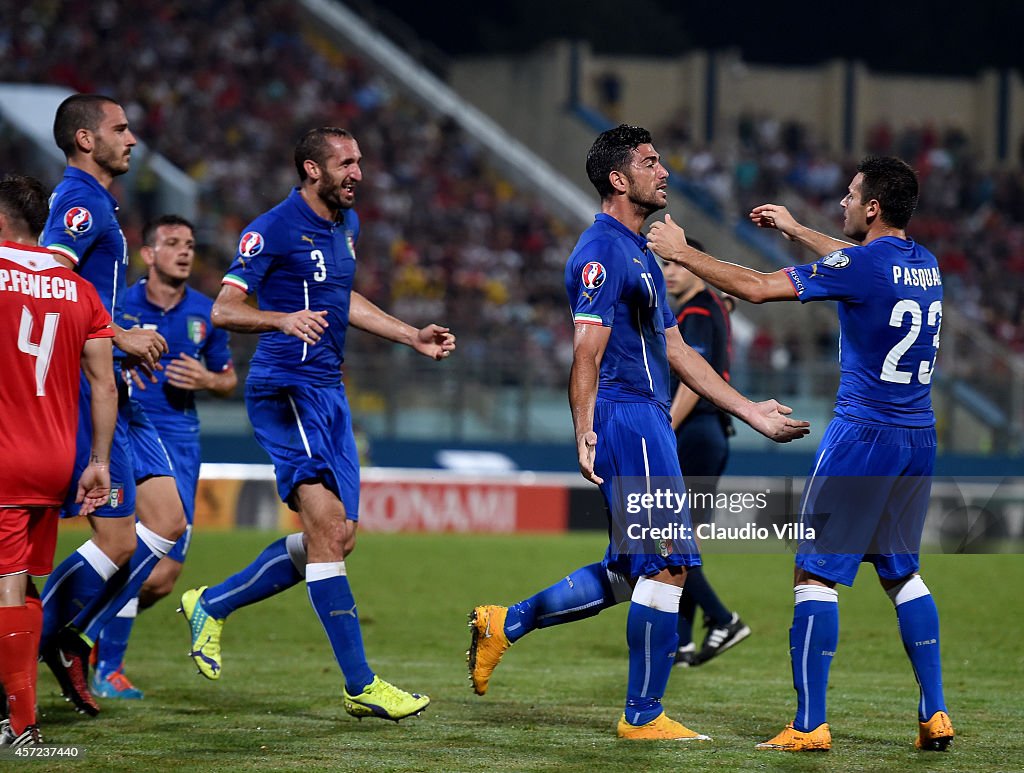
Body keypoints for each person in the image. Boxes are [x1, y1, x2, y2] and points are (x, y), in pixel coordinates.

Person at [467, 124, 809, 741]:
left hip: (648, 415)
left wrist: (751, 410)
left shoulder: (643, 254)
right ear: (619, 180)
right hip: (628, 417)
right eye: (651, 163)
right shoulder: (600, 252)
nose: (665, 171)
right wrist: (586, 429)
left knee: (630, 570)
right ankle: (643, 715)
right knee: (669, 563)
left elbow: (676, 349)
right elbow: (585, 353)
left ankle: (504, 622)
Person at [647, 155, 954, 752]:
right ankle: (935, 712)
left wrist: (682, 252)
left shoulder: (862, 266)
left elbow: (759, 290)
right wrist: (794, 230)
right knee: (903, 573)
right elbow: (853, 259)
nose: (840, 204)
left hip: (863, 436)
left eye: (849, 195)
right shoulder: (926, 265)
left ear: (870, 207)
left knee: (814, 572)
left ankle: (809, 725)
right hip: (917, 437)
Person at [178, 127, 455, 722]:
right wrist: (279, 320)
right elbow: (223, 307)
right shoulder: (272, 228)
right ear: (311, 169)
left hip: (328, 392)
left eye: (360, 161)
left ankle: (214, 603)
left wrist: (411, 335)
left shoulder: (344, 226)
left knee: (339, 539)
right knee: (328, 531)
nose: (358, 172)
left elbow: (342, 299)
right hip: (285, 389)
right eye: (346, 163)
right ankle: (361, 684)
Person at [37, 93, 187, 717]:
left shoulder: (102, 203)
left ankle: (72, 634)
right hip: (83, 386)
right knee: (120, 542)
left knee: (169, 522)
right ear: (83, 139)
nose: (132, 139)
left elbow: (82, 297)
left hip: (119, 387)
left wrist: (118, 339)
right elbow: (45, 284)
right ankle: (35, 645)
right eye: (120, 129)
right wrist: (118, 336)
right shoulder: (78, 201)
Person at [90, 215, 236, 699]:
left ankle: (91, 628)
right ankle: (107, 665)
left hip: (180, 440)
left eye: (190, 244)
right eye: (171, 243)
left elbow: (228, 378)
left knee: (164, 577)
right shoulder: (120, 304)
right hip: (126, 430)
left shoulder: (206, 312)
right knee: (125, 550)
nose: (184, 251)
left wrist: (207, 380)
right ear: (149, 254)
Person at [0, 174, 117, 746]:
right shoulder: (78, 288)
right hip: (54, 459)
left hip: (2, 453)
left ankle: (21, 726)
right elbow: (103, 384)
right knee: (17, 585)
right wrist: (98, 460)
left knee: (7, 583)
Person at [661, 237, 750, 667]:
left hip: (695, 431)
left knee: (666, 537)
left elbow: (692, 382)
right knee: (682, 539)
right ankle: (681, 642)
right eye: (665, 265)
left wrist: (667, 426)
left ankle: (722, 619)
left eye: (678, 263)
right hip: (711, 434)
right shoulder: (711, 308)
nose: (669, 271)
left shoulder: (696, 311)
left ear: (698, 268)